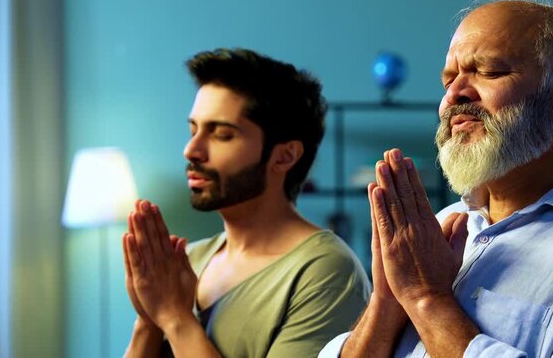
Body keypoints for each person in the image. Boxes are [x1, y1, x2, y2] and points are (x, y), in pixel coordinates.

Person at [320, 0, 553, 357]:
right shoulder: (437, 230)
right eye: (448, 80)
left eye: (488, 72)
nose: (453, 96)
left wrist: (427, 299)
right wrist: (387, 300)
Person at [121, 48, 371, 357]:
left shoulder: (325, 272)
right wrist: (148, 319)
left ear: (284, 156)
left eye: (222, 134)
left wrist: (175, 318)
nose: (191, 150)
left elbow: (173, 316)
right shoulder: (186, 261)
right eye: (194, 130)